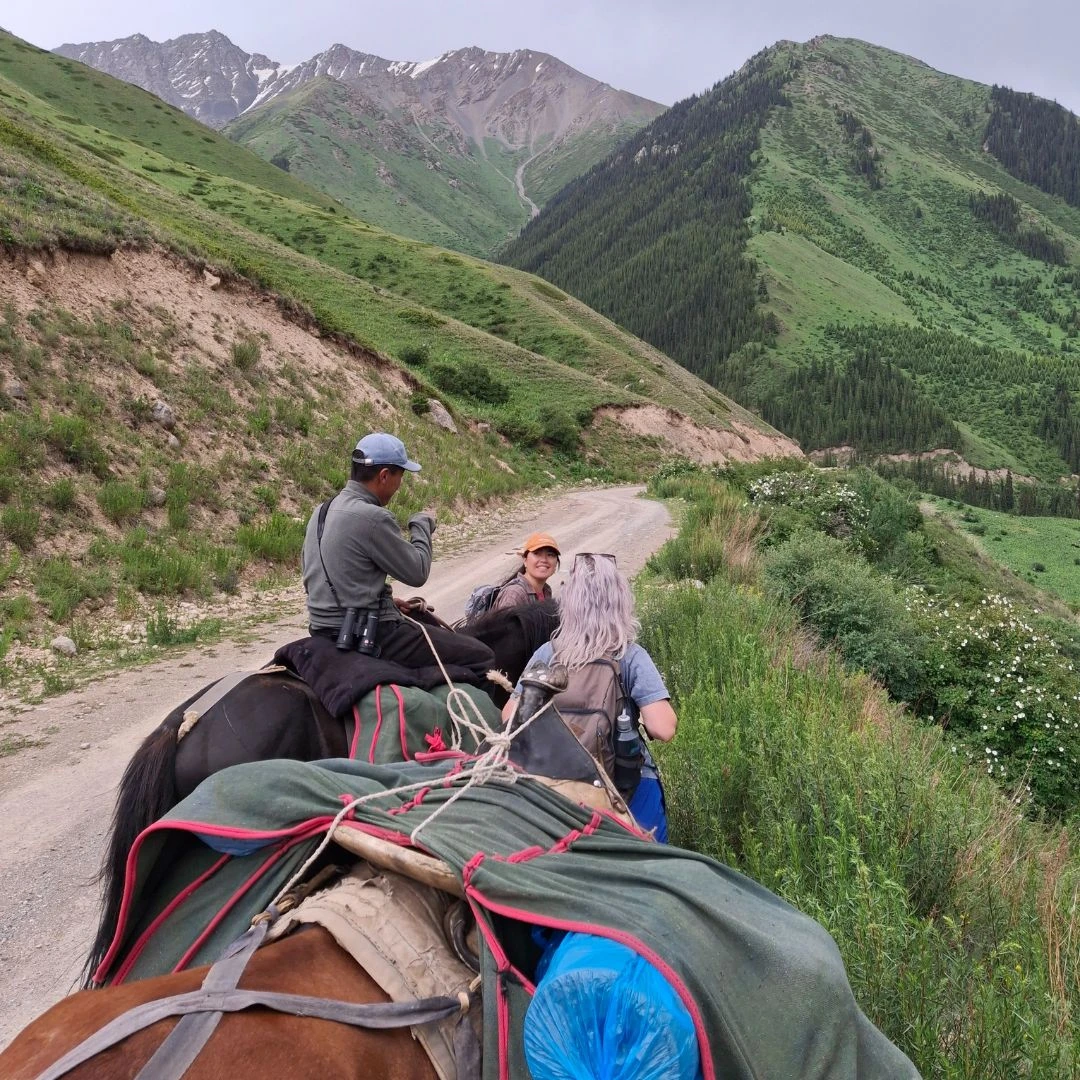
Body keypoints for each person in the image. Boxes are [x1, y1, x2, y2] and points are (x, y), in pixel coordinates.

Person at [501, 552, 676, 841]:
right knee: (652, 857)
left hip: (558, 782)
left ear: (569, 602)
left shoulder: (549, 653)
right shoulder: (629, 655)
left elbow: (509, 717)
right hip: (625, 782)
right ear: (620, 600)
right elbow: (664, 729)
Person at [301, 432, 495, 671]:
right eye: (400, 476)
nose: (399, 486)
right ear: (384, 476)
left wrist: (382, 602)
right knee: (481, 656)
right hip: (371, 633)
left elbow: (316, 575)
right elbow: (417, 572)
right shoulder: (373, 517)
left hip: (320, 629)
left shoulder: (320, 511)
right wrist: (421, 525)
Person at [489, 532, 561, 612]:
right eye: (537, 553)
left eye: (550, 555)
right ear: (525, 560)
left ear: (556, 563)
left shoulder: (546, 590)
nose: (544, 560)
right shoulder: (515, 594)